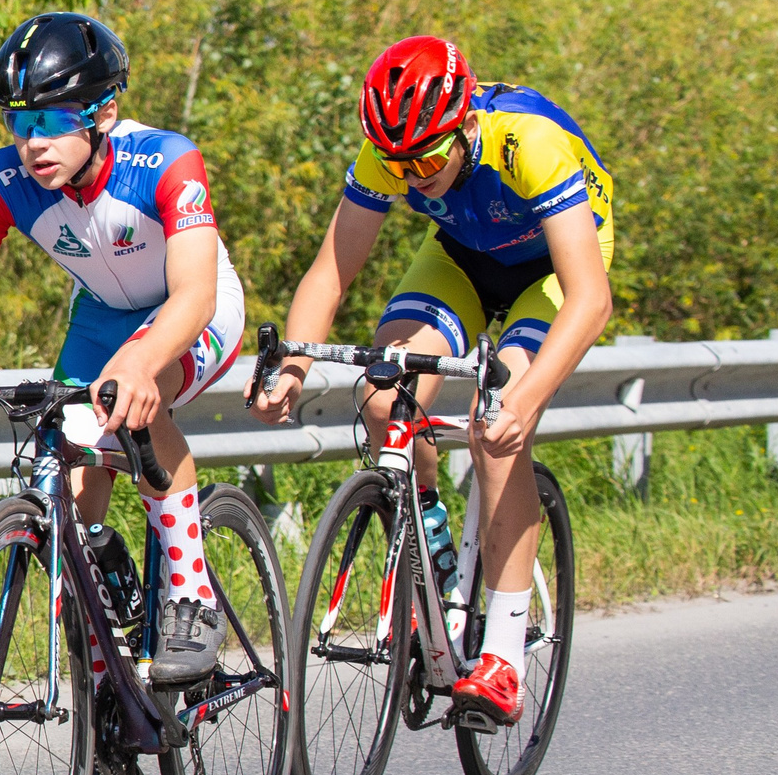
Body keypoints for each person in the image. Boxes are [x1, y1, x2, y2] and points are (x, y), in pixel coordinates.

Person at [0, 12, 247, 685]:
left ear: (103, 112)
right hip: (102, 317)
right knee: (68, 493)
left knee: (134, 405)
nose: (32, 144)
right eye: (18, 124)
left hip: (192, 307)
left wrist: (141, 361)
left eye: (51, 122)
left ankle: (192, 599)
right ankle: (107, 663)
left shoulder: (164, 159)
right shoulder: (3, 182)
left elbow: (193, 294)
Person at [249, 36, 613, 724]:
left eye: (426, 158)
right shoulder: (389, 153)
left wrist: (520, 403)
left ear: (467, 126)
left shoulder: (527, 146)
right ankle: (433, 539)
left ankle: (503, 655)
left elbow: (590, 299)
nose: (412, 176)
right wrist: (294, 365)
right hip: (463, 258)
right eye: (397, 163)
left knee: (495, 426)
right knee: (385, 394)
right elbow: (331, 272)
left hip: (555, 271)